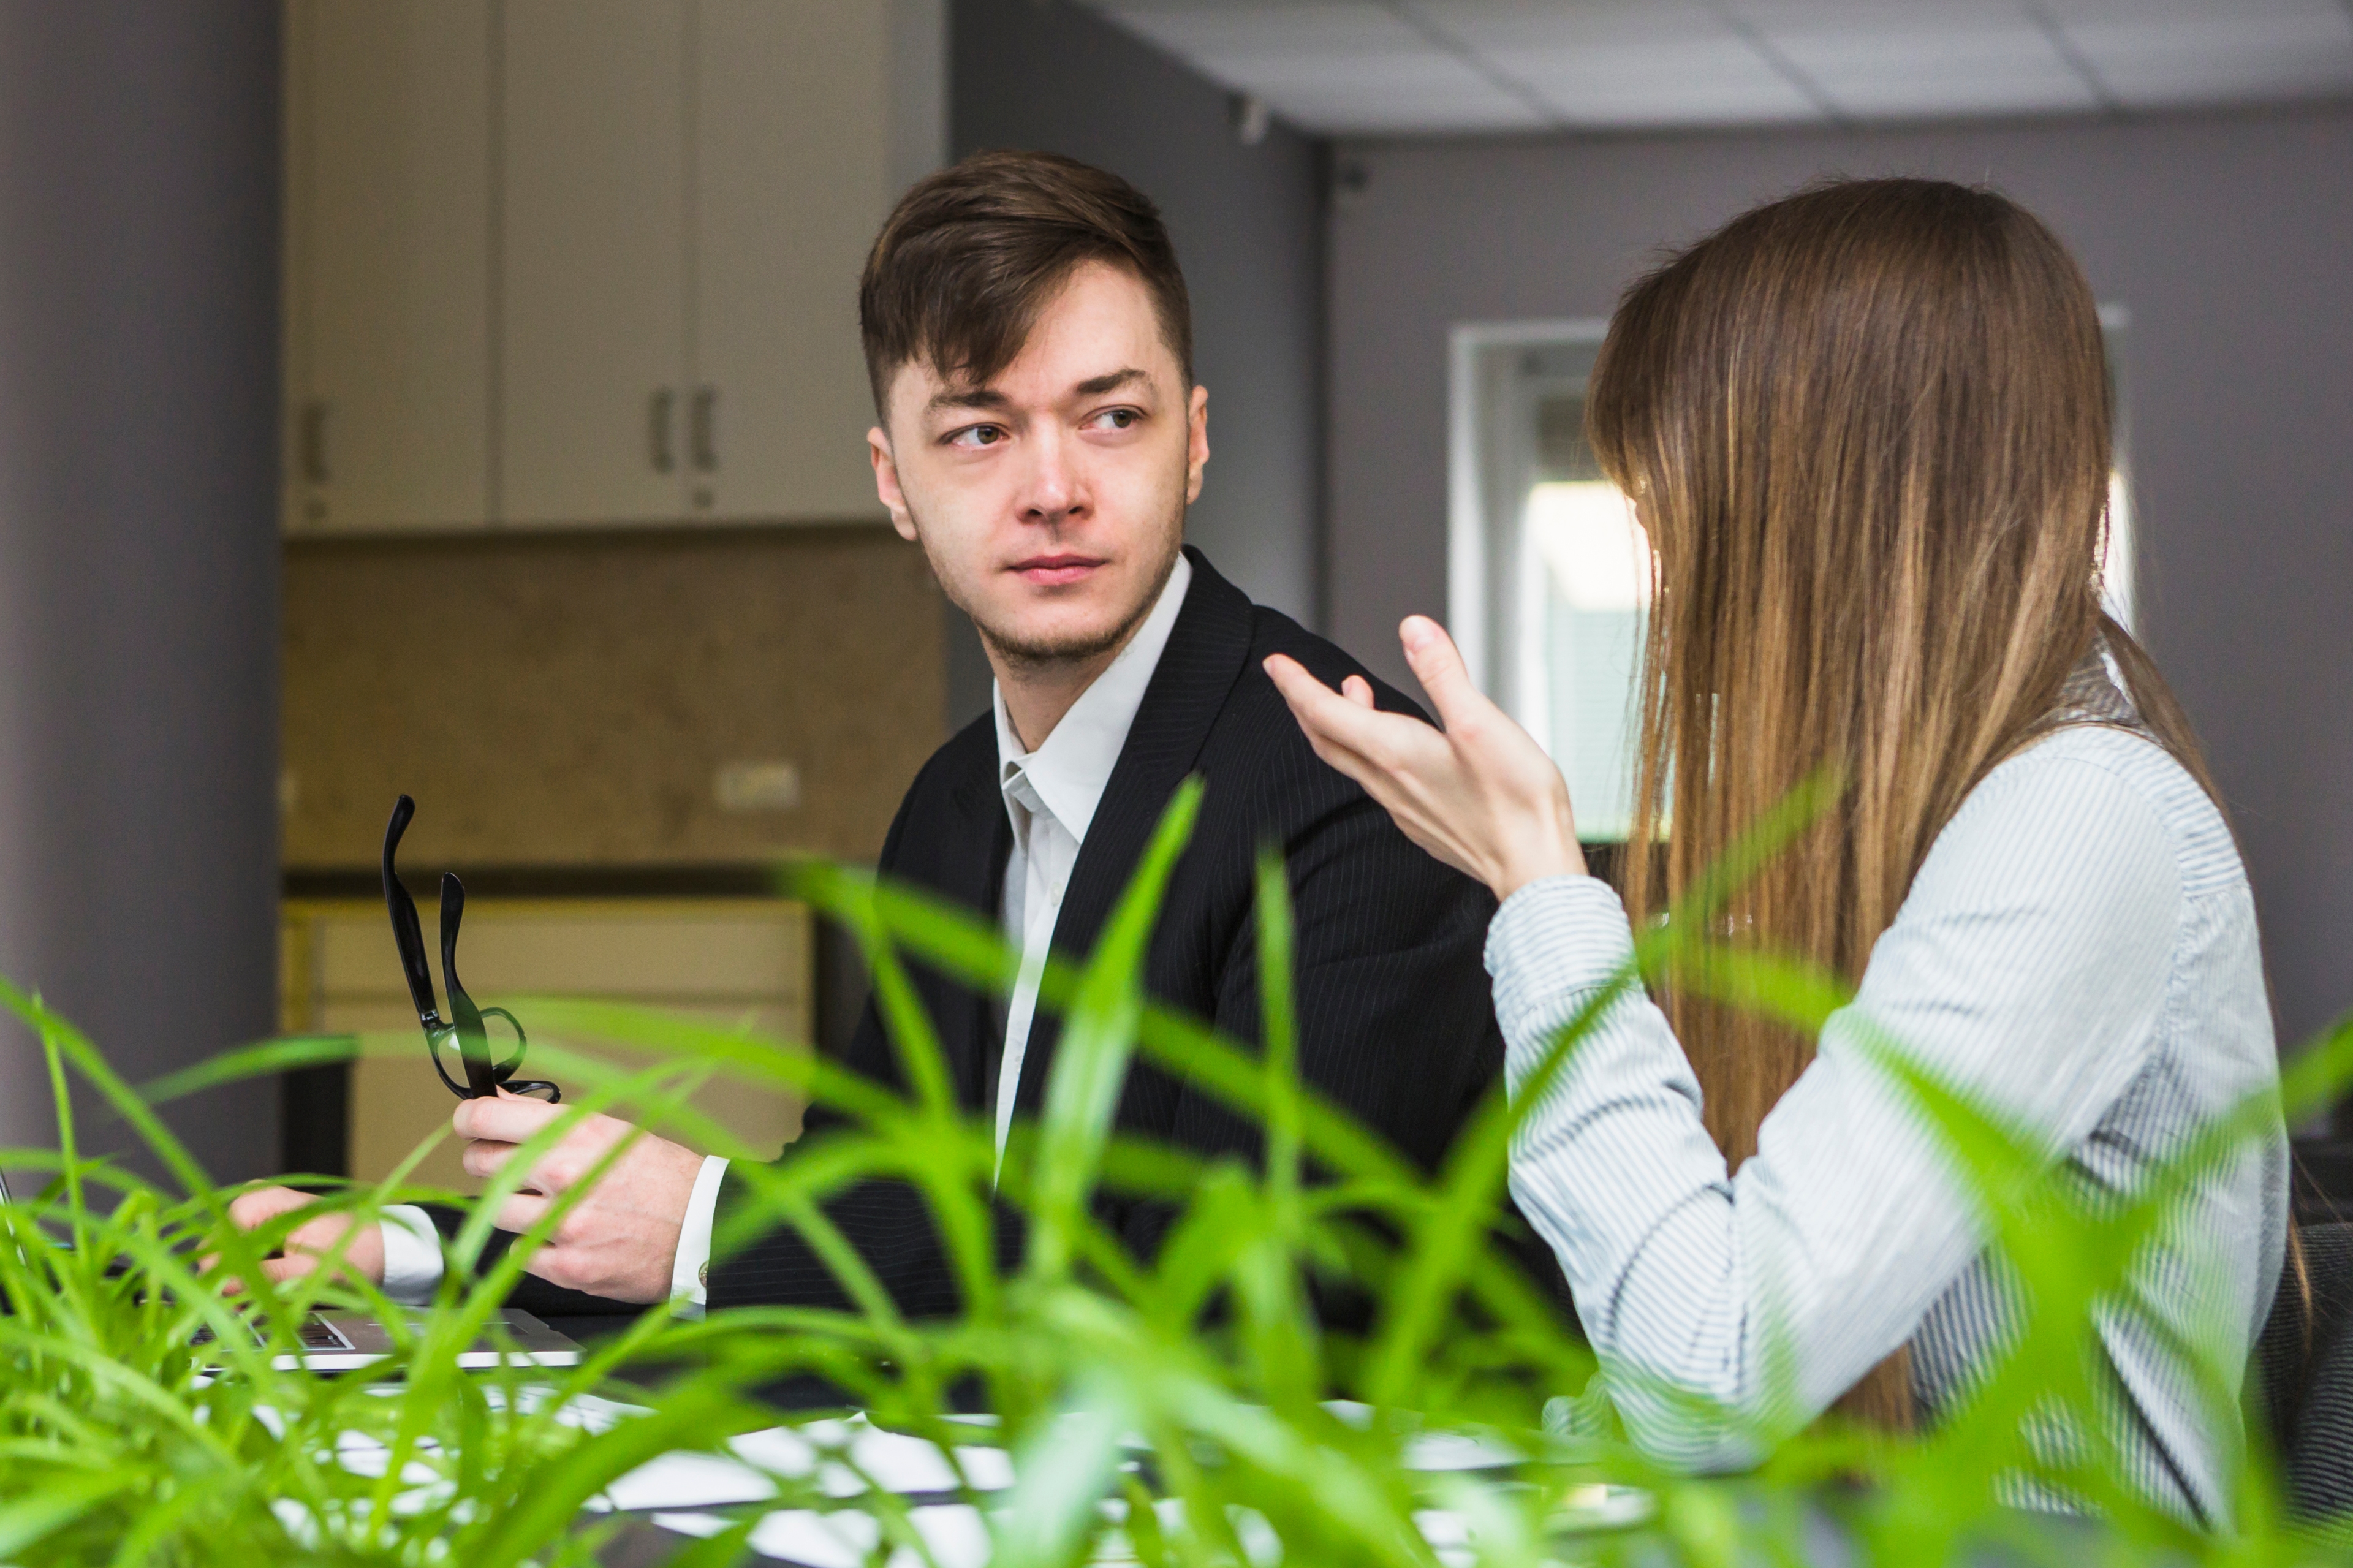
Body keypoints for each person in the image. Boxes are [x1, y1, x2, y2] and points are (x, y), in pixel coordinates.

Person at [230, 150, 1540, 1328]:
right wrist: (412, 1245)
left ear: (1193, 442)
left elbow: (1235, 1282)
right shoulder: (955, 804)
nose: (1053, 487)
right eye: (979, 431)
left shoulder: (1354, 778)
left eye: (1111, 416)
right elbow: (870, 1209)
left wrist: (704, 1224)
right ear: (891, 483)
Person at [1266, 178, 2287, 1526]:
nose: (1675, 583)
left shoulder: (2078, 818)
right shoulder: (1928, 818)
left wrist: (1542, 889)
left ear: (1816, 512)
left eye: (1681, 518)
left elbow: (1717, 1366)